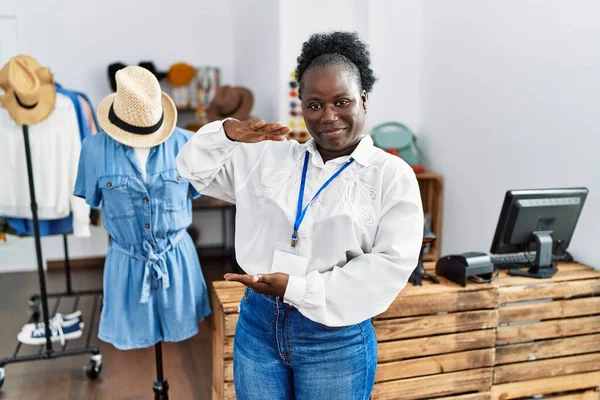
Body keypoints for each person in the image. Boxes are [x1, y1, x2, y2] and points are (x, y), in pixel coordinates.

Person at [177, 31, 423, 400]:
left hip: (333, 338)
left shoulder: (390, 174)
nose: (328, 117)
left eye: (342, 102)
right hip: (258, 325)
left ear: (364, 100)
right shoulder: (271, 156)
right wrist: (228, 134)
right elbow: (192, 170)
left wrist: (295, 288)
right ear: (301, 105)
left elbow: (389, 266)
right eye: (314, 105)